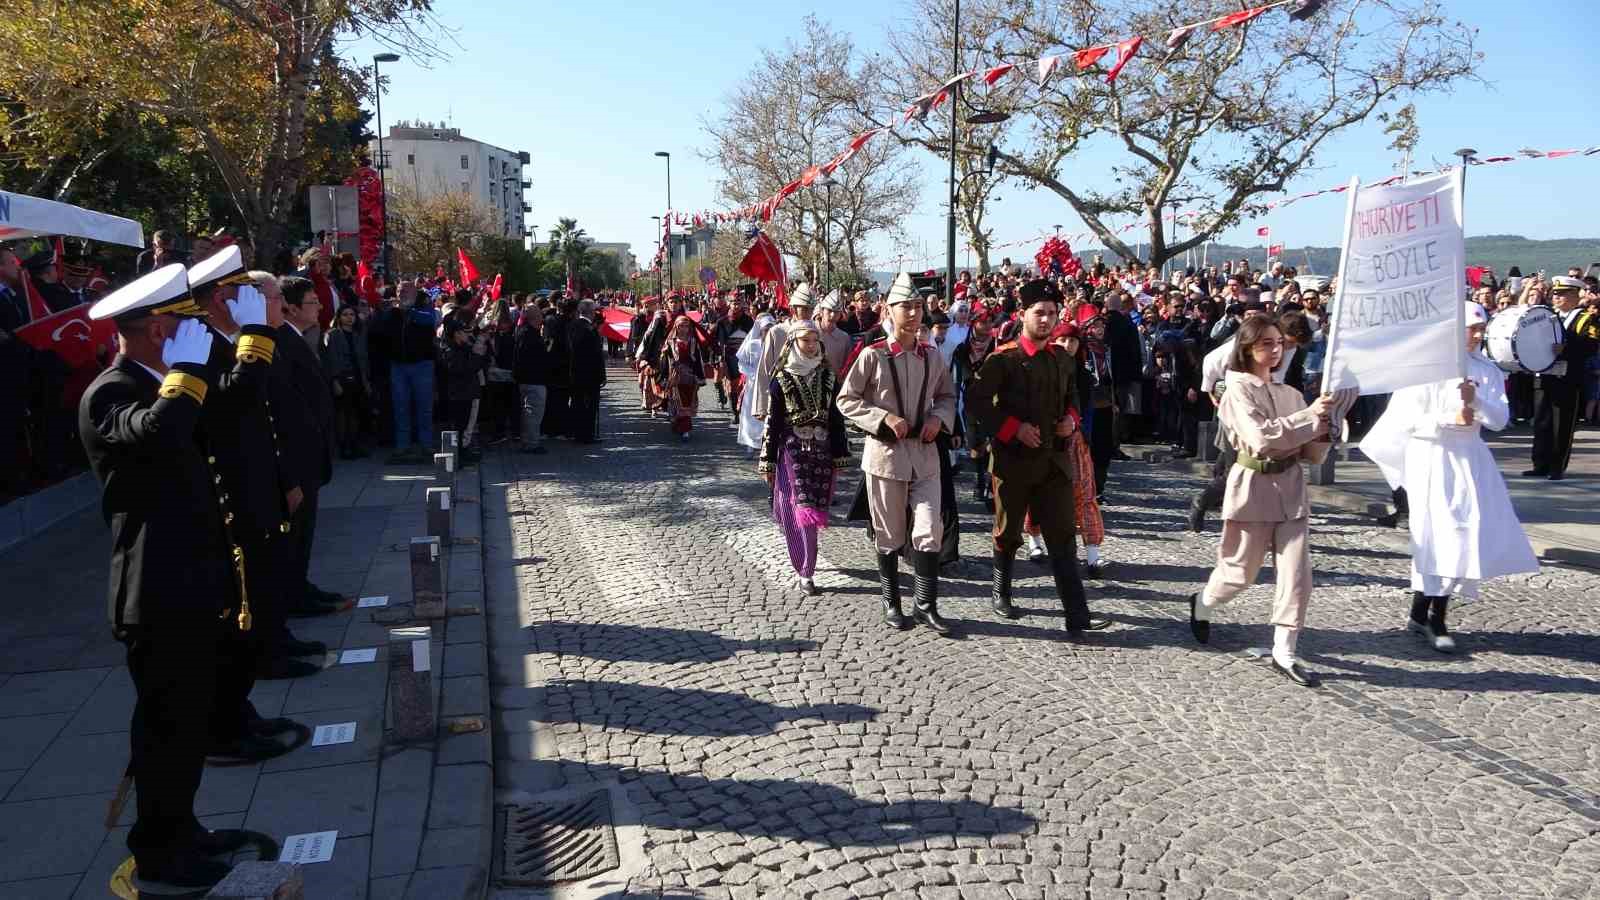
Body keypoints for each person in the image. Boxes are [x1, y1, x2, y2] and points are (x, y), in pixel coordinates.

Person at [80, 265, 249, 892]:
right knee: (165, 729)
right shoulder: (111, 391)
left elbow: (224, 414)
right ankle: (158, 850)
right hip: (155, 590)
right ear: (156, 331)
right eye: (183, 325)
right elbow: (155, 432)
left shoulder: (163, 381)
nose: (194, 336)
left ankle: (184, 829)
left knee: (189, 722)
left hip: (191, 577)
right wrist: (186, 376)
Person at [1361, 302, 1540, 653]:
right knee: (1438, 534)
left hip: (1470, 457)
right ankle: (1432, 617)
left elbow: (1500, 418)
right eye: (1471, 328)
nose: (1477, 334)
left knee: (1468, 532)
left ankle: (1425, 613)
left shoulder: (1485, 370)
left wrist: (1475, 403)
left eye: (1481, 328)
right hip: (1432, 456)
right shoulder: (1426, 368)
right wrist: (1445, 420)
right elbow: (1405, 418)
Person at [1188, 314, 1333, 688]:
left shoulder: (1290, 393)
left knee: (1296, 574)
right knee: (1239, 573)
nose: (1275, 350)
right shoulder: (1236, 390)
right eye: (1266, 343)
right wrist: (1307, 418)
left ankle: (1284, 650)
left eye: (1279, 343)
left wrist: (1328, 424)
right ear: (1248, 348)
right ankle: (1203, 602)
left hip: (1291, 488)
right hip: (1252, 486)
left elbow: (1311, 454)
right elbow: (1260, 439)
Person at [967, 280, 1109, 638]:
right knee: (1008, 532)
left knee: (1062, 537)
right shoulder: (1004, 359)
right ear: (1022, 314)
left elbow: (1075, 397)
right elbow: (978, 403)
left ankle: (1078, 616)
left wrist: (1071, 421)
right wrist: (1013, 428)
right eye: (1038, 312)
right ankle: (1002, 591)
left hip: (1054, 464)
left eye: (1051, 313)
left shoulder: (1062, 358)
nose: (1046, 319)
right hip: (1013, 464)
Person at [836, 272, 958, 635]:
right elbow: (846, 399)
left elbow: (948, 397)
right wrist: (881, 417)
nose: (914, 313)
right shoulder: (872, 356)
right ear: (889, 311)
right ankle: (891, 601)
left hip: (924, 457)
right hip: (886, 458)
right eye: (906, 306)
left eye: (918, 306)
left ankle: (926, 606)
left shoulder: (931, 357)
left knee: (929, 529)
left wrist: (938, 418)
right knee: (889, 533)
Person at [1187, 307, 1310, 531]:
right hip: (1238, 401)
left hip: (1263, 405)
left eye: (1288, 345)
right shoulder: (1254, 337)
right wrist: (1210, 391)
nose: (1285, 349)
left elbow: (1277, 380)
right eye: (1288, 343)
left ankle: (1225, 502)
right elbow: (1212, 361)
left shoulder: (1284, 349)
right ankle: (1204, 500)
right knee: (1239, 465)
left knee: (1230, 461)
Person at [759, 319, 850, 594]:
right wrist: (768, 460)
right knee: (801, 508)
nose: (811, 346)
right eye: (805, 341)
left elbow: (836, 419)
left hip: (821, 453)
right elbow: (773, 423)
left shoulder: (828, 377)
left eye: (814, 341)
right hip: (791, 452)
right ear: (793, 343)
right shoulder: (781, 379)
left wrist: (840, 454)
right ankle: (806, 572)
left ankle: (807, 563)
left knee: (814, 510)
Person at [275, 276, 344, 616]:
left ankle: (299, 585)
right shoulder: (281, 341)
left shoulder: (296, 337)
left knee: (305, 531)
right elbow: (283, 408)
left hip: (309, 451)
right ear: (291, 307)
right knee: (295, 531)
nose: (319, 306)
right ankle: (291, 594)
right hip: (296, 455)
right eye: (313, 301)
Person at [1526, 276, 1600, 480]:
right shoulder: (1546, 316)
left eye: (1562, 294)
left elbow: (1591, 346)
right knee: (1541, 422)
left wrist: (1567, 349)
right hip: (1544, 375)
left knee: (1562, 424)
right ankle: (1539, 464)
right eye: (1555, 294)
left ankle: (1556, 467)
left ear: (1575, 296)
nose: (1556, 297)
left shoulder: (1586, 318)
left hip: (1567, 377)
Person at [752, 284, 815, 420]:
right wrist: (761, 407)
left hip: (810, 398)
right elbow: (765, 368)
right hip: (782, 395)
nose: (808, 314)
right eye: (804, 309)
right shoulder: (777, 332)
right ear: (793, 309)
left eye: (811, 309)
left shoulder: (816, 333)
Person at [322, 304, 372, 459]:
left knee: (356, 412)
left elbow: (364, 358)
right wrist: (335, 380)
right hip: (343, 377)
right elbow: (332, 359)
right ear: (339, 317)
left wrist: (366, 380)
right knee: (344, 413)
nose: (349, 318)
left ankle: (355, 444)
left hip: (358, 377)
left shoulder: (359, 334)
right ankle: (345, 446)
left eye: (352, 314)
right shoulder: (334, 334)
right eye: (345, 314)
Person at [656, 313, 707, 441]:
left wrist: (700, 376)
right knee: (675, 401)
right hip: (675, 376)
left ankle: (685, 429)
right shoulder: (670, 342)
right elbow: (663, 361)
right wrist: (663, 377)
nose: (684, 329)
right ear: (676, 327)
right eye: (681, 326)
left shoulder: (693, 342)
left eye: (686, 326)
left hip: (689, 376)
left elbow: (697, 360)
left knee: (687, 402)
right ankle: (678, 425)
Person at [735, 307, 777, 454]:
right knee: (752, 414)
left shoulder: (777, 345)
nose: (768, 333)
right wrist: (753, 374)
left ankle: (768, 442)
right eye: (766, 330)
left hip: (772, 383)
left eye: (771, 330)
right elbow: (741, 363)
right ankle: (751, 442)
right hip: (754, 385)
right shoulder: (752, 344)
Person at [567, 299, 607, 443]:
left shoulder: (572, 325)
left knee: (577, 404)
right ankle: (587, 435)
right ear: (590, 312)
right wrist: (602, 376)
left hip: (574, 372)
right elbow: (596, 356)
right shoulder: (590, 330)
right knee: (589, 406)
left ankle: (577, 432)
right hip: (590, 375)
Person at [513, 306, 551, 454]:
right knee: (533, 413)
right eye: (540, 315)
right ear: (535, 318)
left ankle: (529, 441)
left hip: (528, 378)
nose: (542, 318)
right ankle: (531, 443)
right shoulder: (530, 335)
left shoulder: (524, 332)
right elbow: (535, 358)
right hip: (533, 379)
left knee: (530, 412)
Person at [813, 290, 853, 375]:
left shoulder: (844, 338)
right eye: (829, 310)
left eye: (836, 312)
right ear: (821, 311)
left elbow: (847, 366)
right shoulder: (810, 331)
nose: (833, 315)